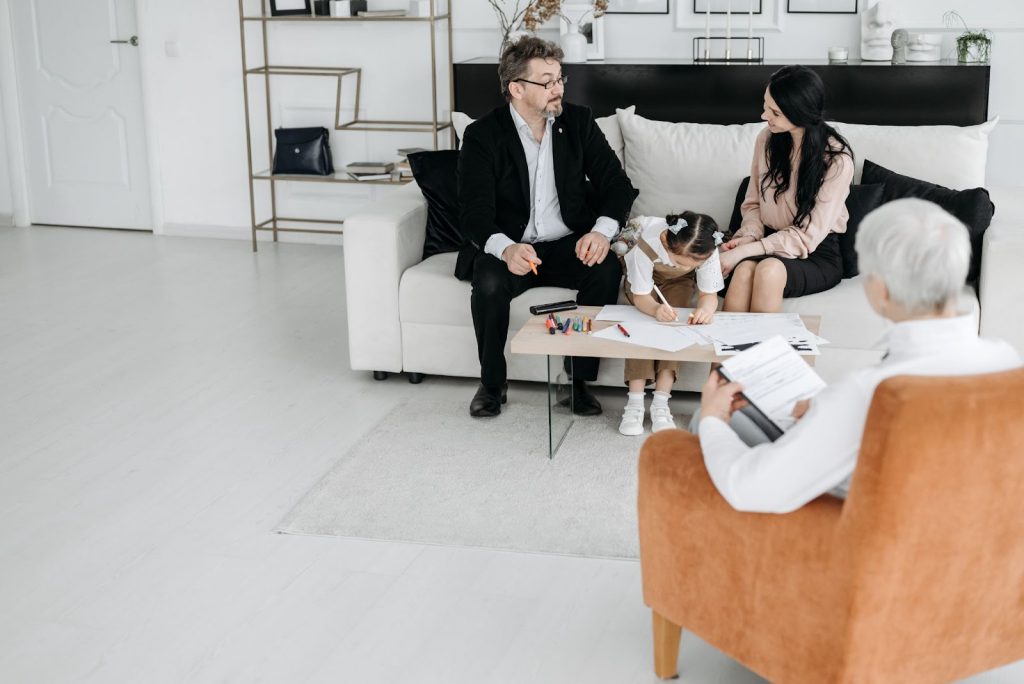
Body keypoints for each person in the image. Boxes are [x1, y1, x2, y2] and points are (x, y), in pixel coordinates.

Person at [696, 199, 1021, 514]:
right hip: (971, 541)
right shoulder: (1008, 363)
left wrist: (713, 418)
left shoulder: (868, 393)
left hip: (873, 542)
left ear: (880, 290)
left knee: (707, 421)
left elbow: (751, 490)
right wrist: (826, 406)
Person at [457, 36, 637, 418]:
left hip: (566, 242)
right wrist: (505, 248)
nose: (558, 89)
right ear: (517, 88)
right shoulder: (482, 136)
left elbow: (617, 186)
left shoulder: (578, 122)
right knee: (487, 283)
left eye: (560, 79)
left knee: (604, 270)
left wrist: (600, 233)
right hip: (512, 245)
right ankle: (492, 384)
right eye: (547, 81)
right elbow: (473, 212)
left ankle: (577, 382)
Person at [719, 65, 854, 314]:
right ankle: (726, 352)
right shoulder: (767, 139)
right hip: (768, 239)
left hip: (815, 252)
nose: (763, 115)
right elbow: (753, 204)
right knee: (744, 270)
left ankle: (767, 353)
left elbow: (806, 237)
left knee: (768, 270)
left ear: (800, 113)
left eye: (775, 112)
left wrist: (749, 250)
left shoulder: (836, 161)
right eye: (765, 105)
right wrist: (748, 236)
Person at [617, 212, 725, 436]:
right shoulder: (647, 244)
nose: (684, 266)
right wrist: (656, 309)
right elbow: (641, 297)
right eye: (679, 263)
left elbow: (709, 295)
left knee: (676, 327)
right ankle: (635, 403)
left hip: (679, 284)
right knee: (643, 324)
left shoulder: (707, 251)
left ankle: (661, 402)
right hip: (643, 284)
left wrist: (705, 309)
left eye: (691, 265)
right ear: (666, 242)